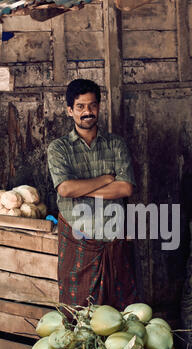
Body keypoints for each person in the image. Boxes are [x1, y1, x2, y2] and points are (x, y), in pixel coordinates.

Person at [47, 78, 138, 316]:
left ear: (98, 107)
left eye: (92, 105)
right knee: (77, 317)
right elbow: (65, 190)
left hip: (113, 241)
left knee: (118, 317)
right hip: (79, 242)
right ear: (70, 110)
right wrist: (105, 180)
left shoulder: (115, 144)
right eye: (80, 106)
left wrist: (83, 189)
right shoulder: (59, 148)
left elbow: (125, 188)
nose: (88, 112)